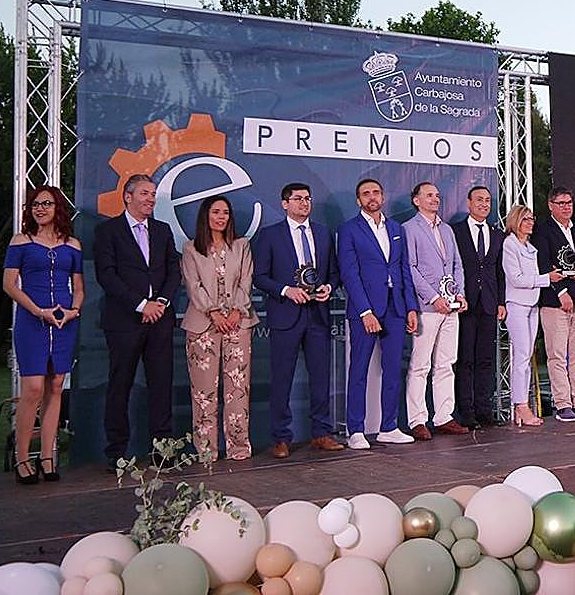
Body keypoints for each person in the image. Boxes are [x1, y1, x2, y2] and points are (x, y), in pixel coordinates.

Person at [93, 174, 181, 471]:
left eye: (153, 193)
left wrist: (162, 303)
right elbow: (107, 275)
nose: (150, 199)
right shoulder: (108, 231)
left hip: (160, 320)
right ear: (127, 197)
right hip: (124, 322)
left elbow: (173, 271)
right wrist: (142, 305)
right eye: (144, 193)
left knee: (161, 384)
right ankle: (116, 452)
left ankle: (162, 450)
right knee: (120, 385)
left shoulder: (162, 230)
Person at [252, 182, 343, 459]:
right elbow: (259, 276)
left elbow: (334, 273)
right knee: (282, 379)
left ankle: (321, 433)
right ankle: (281, 438)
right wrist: (286, 290)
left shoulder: (323, 233)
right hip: (285, 315)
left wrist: (329, 286)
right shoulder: (270, 235)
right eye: (298, 198)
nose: (304, 203)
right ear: (284, 203)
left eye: (307, 198)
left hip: (318, 314)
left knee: (320, 378)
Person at [3, 185, 83, 483]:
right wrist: (38, 311)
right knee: (34, 387)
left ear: (57, 208)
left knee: (56, 384)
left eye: (47, 203)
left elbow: (79, 287)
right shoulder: (20, 242)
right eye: (35, 204)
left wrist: (74, 310)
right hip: (32, 321)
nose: (40, 208)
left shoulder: (72, 245)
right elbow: (10, 285)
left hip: (64, 321)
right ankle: (23, 459)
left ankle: (48, 458)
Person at [337, 178, 420, 448]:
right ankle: (356, 431)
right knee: (358, 370)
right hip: (366, 311)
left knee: (393, 369)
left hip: (395, 307)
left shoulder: (395, 228)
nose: (371, 197)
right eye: (365, 194)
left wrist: (411, 307)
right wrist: (365, 311)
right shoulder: (349, 230)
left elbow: (403, 269)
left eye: (375, 192)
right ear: (358, 200)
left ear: (383, 197)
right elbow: (349, 274)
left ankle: (389, 426)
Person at [180, 195, 258, 462]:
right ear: (206, 216)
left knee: (238, 389)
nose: (221, 217)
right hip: (203, 325)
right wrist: (213, 313)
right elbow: (193, 284)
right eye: (216, 212)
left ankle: (238, 447)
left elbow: (246, 279)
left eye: (225, 212)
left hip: (239, 322)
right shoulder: (191, 248)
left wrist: (236, 310)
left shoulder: (241, 245)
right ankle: (206, 450)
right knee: (203, 392)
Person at [403, 182, 469, 438]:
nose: (435, 199)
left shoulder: (447, 229)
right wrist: (432, 297)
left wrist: (459, 294)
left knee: (446, 363)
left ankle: (443, 416)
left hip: (451, 308)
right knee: (420, 365)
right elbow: (410, 268)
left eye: (437, 195)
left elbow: (456, 265)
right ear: (416, 200)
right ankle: (417, 419)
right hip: (427, 308)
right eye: (429, 195)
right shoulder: (409, 229)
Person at [532, 188, 575, 422]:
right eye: (560, 203)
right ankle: (563, 404)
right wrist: (561, 291)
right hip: (555, 301)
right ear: (550, 205)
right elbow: (542, 264)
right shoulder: (542, 230)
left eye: (569, 202)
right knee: (557, 354)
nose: (566, 207)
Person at [502, 204, 564, 426]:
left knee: (527, 356)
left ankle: (523, 404)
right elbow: (516, 279)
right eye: (525, 219)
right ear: (515, 221)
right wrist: (547, 278)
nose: (530, 222)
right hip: (517, 304)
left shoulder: (529, 246)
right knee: (521, 357)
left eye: (532, 218)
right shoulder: (509, 245)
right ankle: (520, 405)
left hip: (531, 303)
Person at [451, 186, 507, 429]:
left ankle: (485, 410)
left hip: (489, 304)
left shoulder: (497, 235)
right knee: (465, 360)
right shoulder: (456, 232)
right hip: (466, 304)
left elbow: (499, 272)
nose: (484, 204)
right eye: (479, 200)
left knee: (485, 359)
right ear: (468, 203)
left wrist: (501, 302)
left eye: (487, 200)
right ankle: (466, 412)